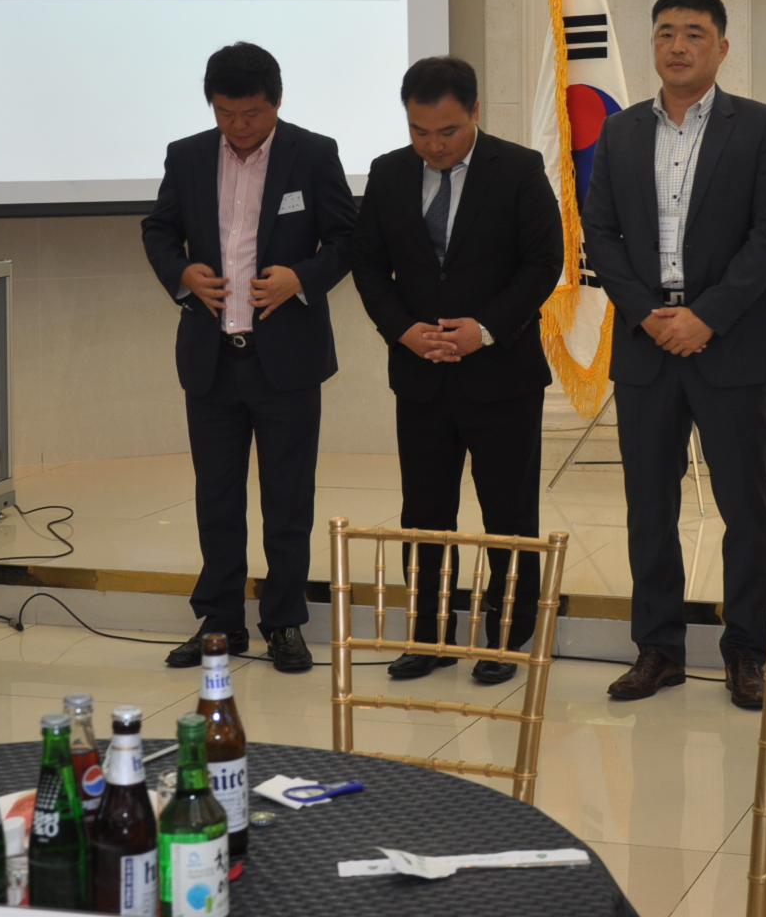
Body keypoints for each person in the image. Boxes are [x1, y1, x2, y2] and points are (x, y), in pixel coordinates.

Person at [581, 0, 766, 711]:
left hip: (730, 343)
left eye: (694, 34)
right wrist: (647, 314)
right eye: (666, 32)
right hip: (647, 346)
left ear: (722, 47)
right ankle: (658, 649)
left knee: (745, 507)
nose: (678, 46)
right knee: (649, 506)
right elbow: (599, 233)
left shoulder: (760, 126)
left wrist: (705, 316)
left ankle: (747, 652)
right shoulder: (619, 132)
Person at [141, 43, 355, 675]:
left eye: (252, 113)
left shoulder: (312, 154)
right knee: (217, 497)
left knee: (287, 499)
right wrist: (182, 273)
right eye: (225, 113)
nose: (238, 126)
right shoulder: (187, 155)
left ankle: (284, 621)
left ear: (277, 102)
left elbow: (348, 238)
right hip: (211, 357)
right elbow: (158, 229)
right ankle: (220, 620)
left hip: (285, 358)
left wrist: (302, 277)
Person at [350, 56, 564, 685]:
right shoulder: (389, 172)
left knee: (508, 513)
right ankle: (429, 634)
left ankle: (507, 635)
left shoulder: (518, 169)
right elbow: (369, 266)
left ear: (474, 111)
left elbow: (543, 262)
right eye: (419, 131)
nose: (433, 146)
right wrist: (403, 330)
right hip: (421, 375)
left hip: (502, 375)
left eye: (447, 131)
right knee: (424, 512)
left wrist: (485, 329)